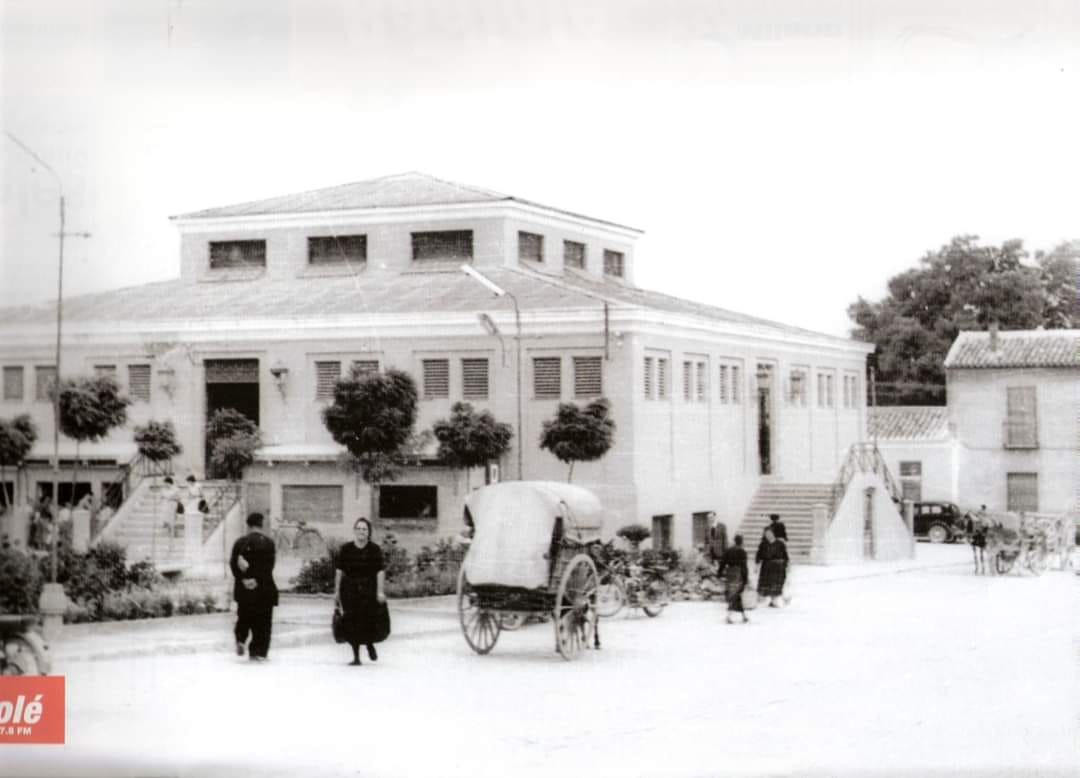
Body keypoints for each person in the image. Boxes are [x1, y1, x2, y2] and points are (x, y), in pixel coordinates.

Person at [334, 517, 389, 666]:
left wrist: (380, 592)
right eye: (358, 529)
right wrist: (337, 592)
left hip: (369, 590)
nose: (361, 532)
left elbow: (380, 572)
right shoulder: (346, 549)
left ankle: (370, 643)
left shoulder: (374, 549)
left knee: (369, 620)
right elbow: (339, 571)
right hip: (350, 590)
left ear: (369, 532)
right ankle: (356, 656)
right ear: (354, 531)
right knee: (351, 623)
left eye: (364, 529)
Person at [229, 512, 278, 662]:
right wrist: (257, 579)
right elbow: (270, 566)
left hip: (245, 590)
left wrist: (244, 579)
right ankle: (259, 652)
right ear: (261, 524)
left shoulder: (240, 543)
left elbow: (233, 564)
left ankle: (241, 639)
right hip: (264, 588)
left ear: (248, 525)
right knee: (263, 622)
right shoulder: (269, 543)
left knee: (244, 617)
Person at [717, 534, 750, 624]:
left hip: (730, 573)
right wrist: (746, 578)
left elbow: (722, 563)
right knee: (735, 595)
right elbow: (744, 566)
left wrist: (719, 574)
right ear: (741, 542)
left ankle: (744, 617)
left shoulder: (728, 550)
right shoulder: (742, 551)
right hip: (738, 574)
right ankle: (729, 616)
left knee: (734, 594)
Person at [756, 527, 789, 607]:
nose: (768, 535)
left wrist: (787, 565)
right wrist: (756, 565)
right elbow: (758, 555)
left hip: (778, 568)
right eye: (766, 534)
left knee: (776, 584)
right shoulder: (763, 544)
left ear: (773, 533)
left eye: (769, 533)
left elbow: (785, 555)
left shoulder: (780, 543)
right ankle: (769, 600)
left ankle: (775, 600)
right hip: (767, 567)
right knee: (767, 583)